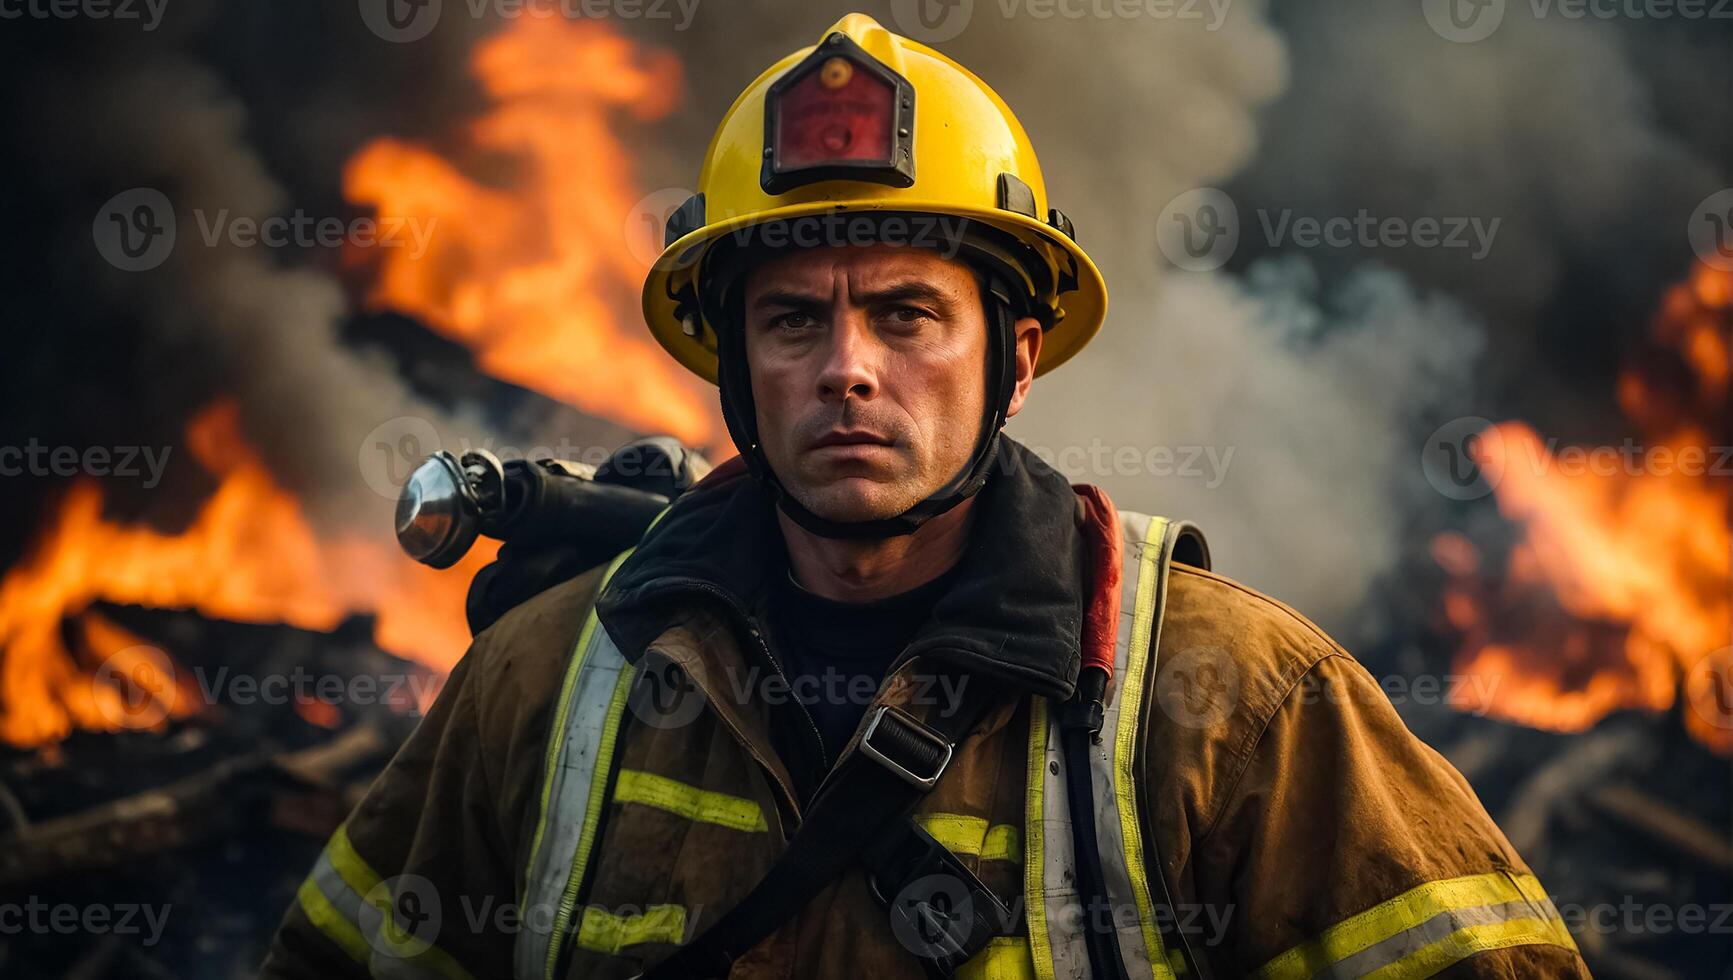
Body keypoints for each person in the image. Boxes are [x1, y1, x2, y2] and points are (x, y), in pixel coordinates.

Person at [263, 13, 1590, 979]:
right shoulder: (549, 687)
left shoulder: (1230, 704)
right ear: (730, 369)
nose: (846, 370)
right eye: (791, 323)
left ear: (1014, 358)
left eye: (907, 316)